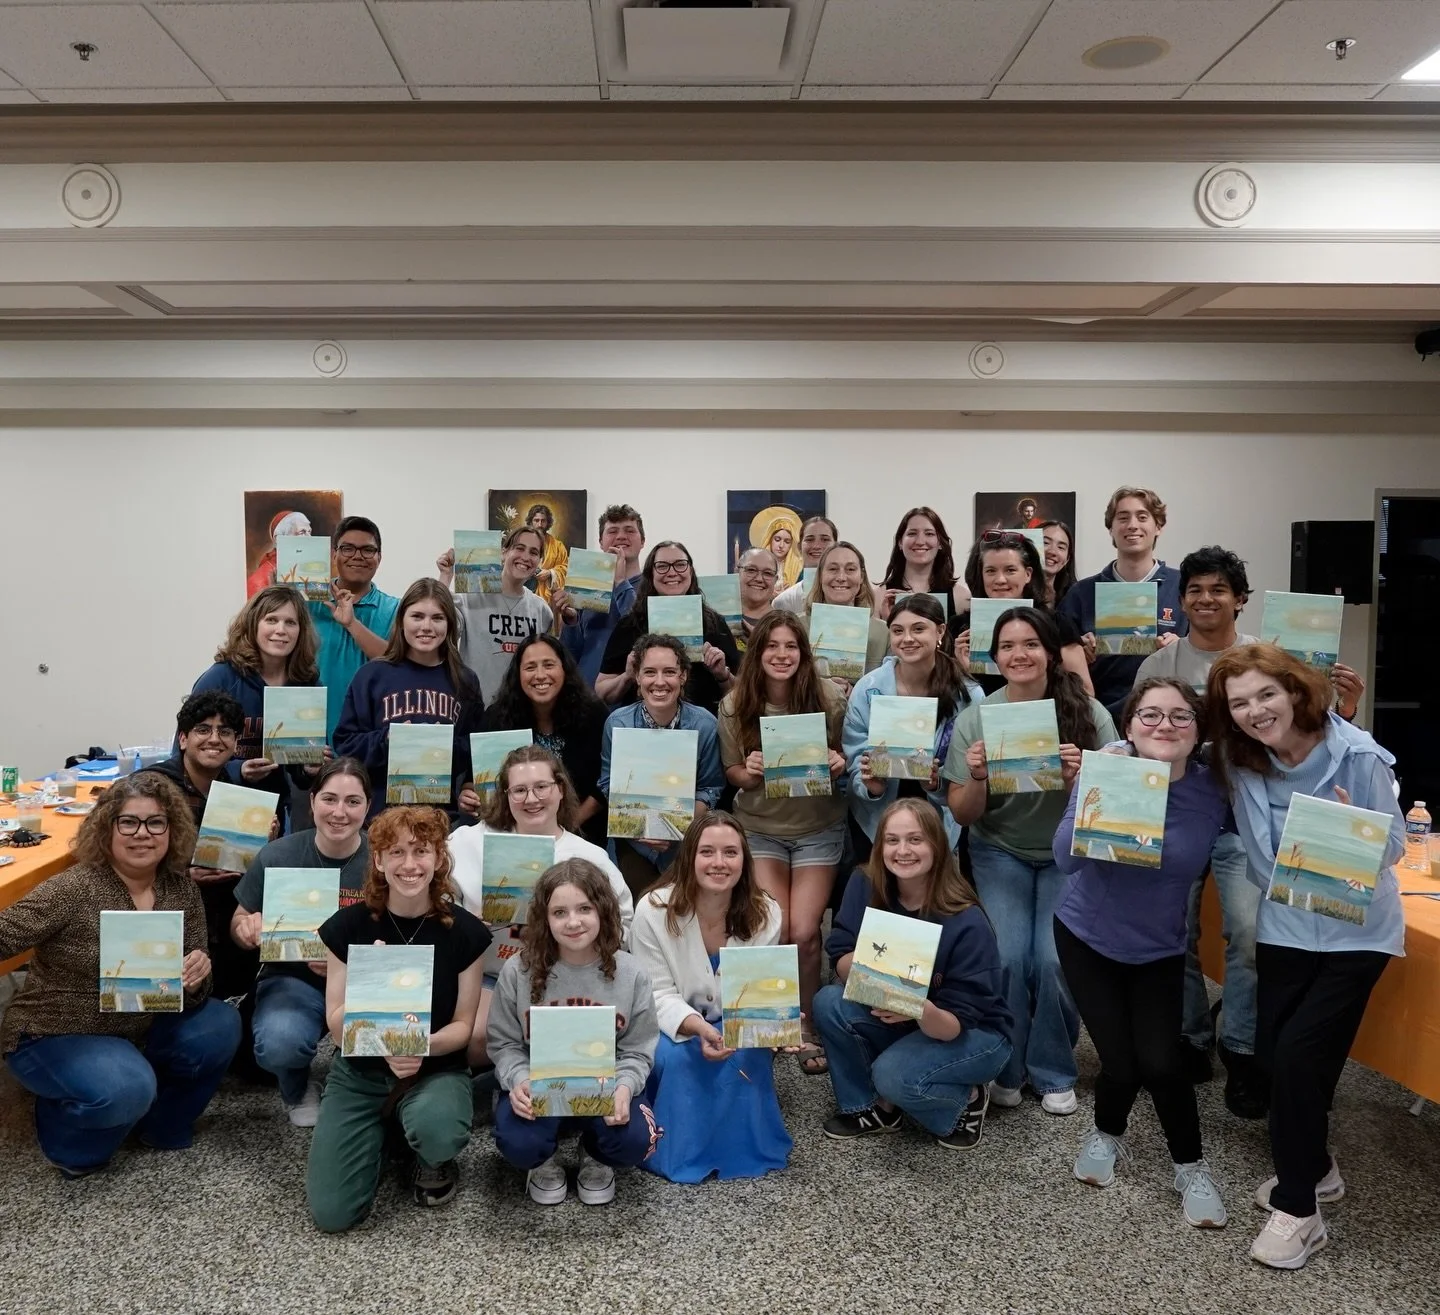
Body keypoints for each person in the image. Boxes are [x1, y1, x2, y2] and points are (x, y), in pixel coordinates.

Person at [1209, 645, 1406, 1271]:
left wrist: (1353, 835)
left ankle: (1299, 1211)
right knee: (1273, 1058)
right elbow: (1166, 747)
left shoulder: (1359, 755)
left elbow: (1396, 844)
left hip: (1356, 937)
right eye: (1239, 703)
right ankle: (1317, 1167)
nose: (1255, 711)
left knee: (1298, 1059)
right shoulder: (1239, 759)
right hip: (1287, 925)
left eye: (1266, 694)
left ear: (1295, 691)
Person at [1052, 679, 1230, 1227]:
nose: (1164, 725)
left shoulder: (1214, 788)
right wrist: (1095, 790)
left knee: (1162, 1063)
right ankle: (1108, 1134)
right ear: (1128, 726)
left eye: (1180, 716)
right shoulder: (1108, 770)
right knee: (1122, 1062)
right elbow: (1065, 860)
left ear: (1198, 731)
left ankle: (1190, 1167)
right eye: (1150, 714)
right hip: (1087, 937)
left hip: (1159, 948)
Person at [0, 774, 240, 1179]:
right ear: (106, 828)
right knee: (126, 1088)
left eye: (156, 822)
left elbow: (194, 991)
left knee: (221, 1022)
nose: (142, 833)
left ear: (172, 830)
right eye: (128, 822)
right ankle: (67, 1137)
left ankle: (159, 1124)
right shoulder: (72, 889)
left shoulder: (181, 891)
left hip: (138, 1025)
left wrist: (198, 975)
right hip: (56, 1030)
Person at [944, 607, 1116, 1115]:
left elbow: (1114, 807)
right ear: (994, 658)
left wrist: (1080, 782)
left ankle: (1053, 1068)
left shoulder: (1090, 714)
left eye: (1030, 644)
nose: (1019, 655)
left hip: (1068, 855)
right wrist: (978, 776)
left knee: (1054, 960)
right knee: (1008, 958)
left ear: (1051, 654)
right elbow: (963, 814)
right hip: (1000, 849)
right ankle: (1009, 1066)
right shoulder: (976, 719)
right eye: (1007, 646)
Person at [306, 805, 489, 1230]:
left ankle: (429, 1153)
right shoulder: (346, 927)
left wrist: (419, 1047)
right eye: (397, 852)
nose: (410, 864)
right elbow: (337, 1026)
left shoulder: (466, 932)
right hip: (360, 1071)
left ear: (438, 859)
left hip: (435, 1067)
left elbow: (463, 1028)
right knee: (333, 1215)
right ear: (378, 860)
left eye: (421, 851)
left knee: (437, 1130)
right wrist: (374, 984)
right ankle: (385, 1133)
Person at [1133, 545, 1264, 1112]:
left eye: (1218, 590)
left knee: (1249, 934)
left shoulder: (1263, 662)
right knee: (1174, 933)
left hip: (1241, 819)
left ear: (1240, 599)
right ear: (1181, 599)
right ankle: (1190, 1037)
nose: (1206, 599)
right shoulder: (1159, 665)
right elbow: (1137, 738)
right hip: (1175, 817)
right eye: (1195, 590)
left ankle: (1242, 1048)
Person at [813, 799, 1012, 1149]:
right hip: (899, 1013)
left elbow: (955, 1024)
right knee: (828, 1001)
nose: (902, 851)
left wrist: (915, 1005)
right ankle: (872, 1108)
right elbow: (840, 952)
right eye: (892, 840)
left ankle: (966, 1100)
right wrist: (877, 976)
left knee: (892, 1075)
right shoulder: (865, 882)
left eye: (915, 839)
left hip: (971, 1032)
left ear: (938, 845)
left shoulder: (966, 920)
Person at [627, 812, 792, 1181]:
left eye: (730, 852)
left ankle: (741, 1146)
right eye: (707, 852)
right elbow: (656, 994)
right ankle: (673, 1150)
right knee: (679, 1057)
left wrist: (778, 1026)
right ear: (689, 857)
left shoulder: (767, 912)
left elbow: (757, 993)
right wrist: (699, 1027)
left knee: (748, 1053)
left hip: (734, 1021)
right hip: (670, 1024)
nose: (719, 862)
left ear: (744, 860)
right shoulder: (652, 910)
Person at [487, 860, 660, 1206]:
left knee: (635, 1142)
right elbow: (503, 1043)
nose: (573, 921)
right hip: (539, 1087)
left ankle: (595, 1153)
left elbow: (637, 1050)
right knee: (519, 1143)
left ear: (603, 910)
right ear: (544, 918)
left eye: (584, 908)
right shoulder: (518, 971)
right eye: (559, 912)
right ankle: (542, 1159)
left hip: (606, 1088)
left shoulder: (631, 973)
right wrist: (519, 1079)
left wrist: (625, 1087)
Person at [448, 746, 634, 1065]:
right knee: (477, 1037)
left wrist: (583, 933)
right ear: (505, 795)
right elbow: (437, 906)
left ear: (560, 789)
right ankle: (497, 1077)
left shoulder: (590, 858)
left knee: (564, 1044)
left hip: (564, 977)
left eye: (541, 787)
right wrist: (465, 925)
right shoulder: (466, 843)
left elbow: (624, 929)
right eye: (519, 790)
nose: (531, 799)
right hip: (489, 975)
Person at [718, 612, 847, 1072]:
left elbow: (846, 757)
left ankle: (808, 1025)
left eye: (791, 645)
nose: (781, 654)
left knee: (804, 933)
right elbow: (731, 773)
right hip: (760, 829)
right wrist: (749, 773)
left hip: (818, 828)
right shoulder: (734, 705)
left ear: (803, 653)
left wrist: (838, 762)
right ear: (757, 653)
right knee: (774, 931)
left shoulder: (828, 698)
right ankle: (773, 1022)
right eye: (771, 645)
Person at [229, 758, 373, 1127]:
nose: (339, 812)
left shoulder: (385, 861)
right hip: (293, 977)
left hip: (367, 980)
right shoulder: (278, 855)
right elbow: (239, 920)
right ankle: (296, 1088)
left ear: (367, 806)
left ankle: (358, 1085)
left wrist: (347, 963)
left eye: (353, 801)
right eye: (329, 799)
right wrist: (245, 929)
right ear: (311, 801)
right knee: (279, 1043)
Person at [137, 690, 281, 1004]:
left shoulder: (236, 792)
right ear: (183, 739)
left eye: (225, 732)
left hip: (222, 917)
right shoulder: (150, 789)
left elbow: (243, 867)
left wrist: (263, 843)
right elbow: (121, 863)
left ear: (235, 743)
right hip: (160, 917)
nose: (214, 739)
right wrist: (183, 875)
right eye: (203, 729)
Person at [333, 579, 485, 823]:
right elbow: (345, 743)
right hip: (379, 818)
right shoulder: (372, 675)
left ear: (449, 624)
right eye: (417, 616)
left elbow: (475, 750)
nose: (427, 626)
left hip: (441, 818)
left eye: (437, 618)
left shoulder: (466, 680)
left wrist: (443, 746)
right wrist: (387, 738)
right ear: (402, 620)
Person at [843, 594, 978, 864]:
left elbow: (969, 770)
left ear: (940, 631)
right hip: (877, 817)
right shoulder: (868, 689)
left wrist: (937, 783)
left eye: (918, 629)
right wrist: (870, 786)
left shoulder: (968, 695)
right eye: (897, 631)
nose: (907, 639)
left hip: (939, 817)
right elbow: (855, 754)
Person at [186, 583, 321, 825]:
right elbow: (185, 751)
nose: (281, 630)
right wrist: (238, 770)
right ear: (253, 625)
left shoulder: (306, 683)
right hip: (218, 805)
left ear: (301, 631)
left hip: (275, 809)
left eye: (290, 622)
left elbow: (299, 771)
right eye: (271, 620)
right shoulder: (221, 678)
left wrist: (309, 768)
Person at [599, 634, 726, 893]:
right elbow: (607, 783)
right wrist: (641, 827)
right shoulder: (618, 723)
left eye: (669, 672)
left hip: (686, 837)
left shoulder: (705, 725)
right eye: (649, 672)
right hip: (634, 839)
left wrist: (669, 826)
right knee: (640, 905)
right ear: (637, 677)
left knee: (685, 905)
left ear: (683, 676)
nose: (659, 682)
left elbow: (710, 789)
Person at [1058, 486, 1188, 723]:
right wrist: (1077, 654)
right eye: (1123, 517)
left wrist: (1184, 647)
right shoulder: (1081, 594)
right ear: (1111, 528)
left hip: (1167, 719)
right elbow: (1056, 662)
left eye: (1142, 517)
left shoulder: (1184, 587)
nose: (1132, 525)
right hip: (1098, 718)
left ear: (1158, 526)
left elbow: (1207, 649)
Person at [469, 633, 608, 843]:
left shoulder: (594, 715)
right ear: (518, 674)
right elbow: (477, 778)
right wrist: (468, 792)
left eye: (549, 665)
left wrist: (566, 829)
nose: (540, 675)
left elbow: (606, 782)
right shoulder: (496, 718)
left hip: (581, 833)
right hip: (514, 837)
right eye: (530, 667)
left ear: (564, 669)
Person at [596, 541, 739, 714]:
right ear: (650, 574)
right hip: (640, 726)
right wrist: (627, 676)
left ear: (691, 571)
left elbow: (742, 693)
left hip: (703, 725)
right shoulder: (630, 624)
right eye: (662, 566)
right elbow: (602, 692)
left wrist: (723, 675)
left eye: (680, 564)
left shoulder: (715, 623)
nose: (672, 572)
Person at [955, 531, 1092, 695]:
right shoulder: (960, 630)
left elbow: (1085, 692)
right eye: (991, 571)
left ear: (1028, 574)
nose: (1000, 580)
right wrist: (963, 674)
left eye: (1010, 570)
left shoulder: (1057, 624)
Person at [308, 516, 401, 744]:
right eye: (348, 548)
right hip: (312, 735)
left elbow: (397, 664)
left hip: (372, 739)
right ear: (334, 555)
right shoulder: (307, 604)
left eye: (368, 550)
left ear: (379, 557)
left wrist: (351, 623)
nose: (357, 556)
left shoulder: (396, 609)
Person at [437, 526, 554, 705]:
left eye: (533, 552)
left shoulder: (542, 610)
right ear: (503, 552)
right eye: (519, 548)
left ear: (539, 561)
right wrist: (445, 576)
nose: (525, 557)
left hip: (521, 712)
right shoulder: (470, 597)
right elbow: (441, 630)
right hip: (475, 708)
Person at [558, 504, 646, 686]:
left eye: (629, 530)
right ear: (600, 542)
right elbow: (570, 657)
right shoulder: (585, 586)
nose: (621, 536)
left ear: (643, 541)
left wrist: (620, 582)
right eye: (612, 531)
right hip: (586, 695)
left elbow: (642, 635)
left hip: (633, 695)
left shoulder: (653, 587)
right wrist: (571, 622)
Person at [795, 541, 891, 693]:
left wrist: (857, 692)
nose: (841, 577)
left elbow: (890, 688)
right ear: (820, 576)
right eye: (833, 569)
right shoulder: (796, 626)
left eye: (850, 569)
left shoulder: (884, 633)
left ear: (861, 577)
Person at [876, 506, 971, 625]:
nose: (920, 541)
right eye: (912, 533)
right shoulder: (879, 597)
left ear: (940, 543)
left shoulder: (961, 597)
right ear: (900, 542)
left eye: (929, 534)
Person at [774, 516, 838, 613]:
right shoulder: (783, 602)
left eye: (825, 539)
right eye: (810, 540)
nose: (817, 546)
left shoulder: (854, 594)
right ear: (799, 547)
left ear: (836, 545)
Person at [246, 508, 312, 598]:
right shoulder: (259, 581)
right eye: (302, 532)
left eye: (309, 532)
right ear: (279, 539)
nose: (309, 538)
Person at [522, 503, 570, 614]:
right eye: (536, 520)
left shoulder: (558, 546)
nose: (540, 524)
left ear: (548, 523)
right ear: (531, 521)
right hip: (525, 596)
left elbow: (565, 569)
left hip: (549, 600)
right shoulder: (522, 544)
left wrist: (550, 573)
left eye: (543, 521)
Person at [735, 548, 782, 649]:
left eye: (768, 573)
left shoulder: (784, 624)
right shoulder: (717, 619)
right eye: (751, 570)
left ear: (775, 580)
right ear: (737, 572)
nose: (759, 579)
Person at [1037, 520, 1077, 610]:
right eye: (1045, 542)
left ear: (1067, 559)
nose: (1052, 552)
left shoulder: (1075, 596)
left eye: (1061, 547)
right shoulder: (1015, 592)